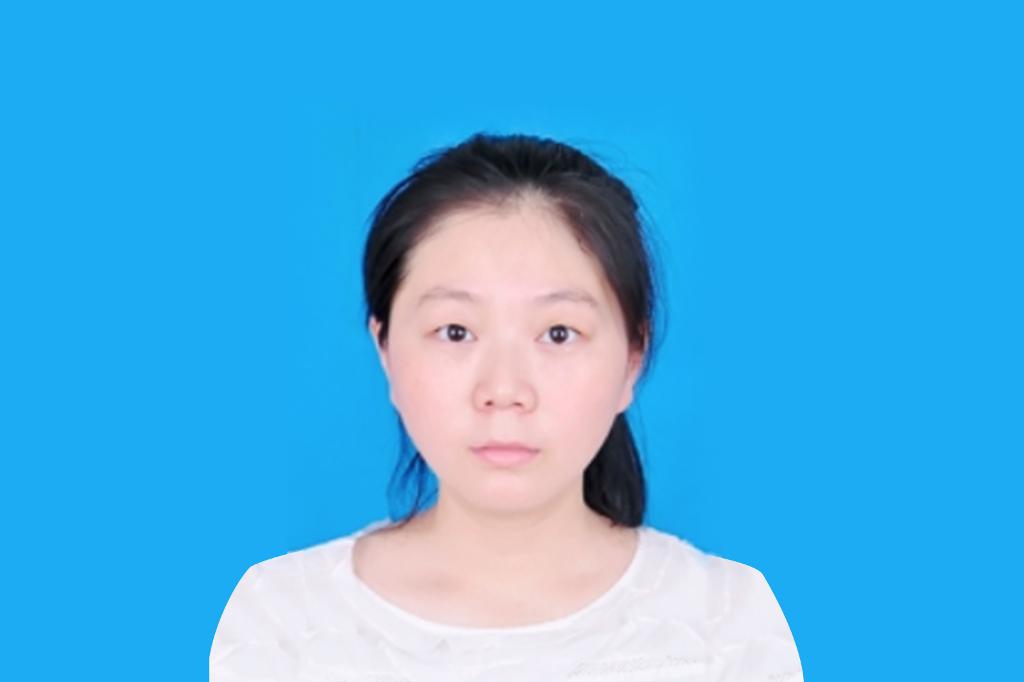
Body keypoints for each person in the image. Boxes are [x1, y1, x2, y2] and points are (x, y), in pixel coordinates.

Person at [210, 132, 804, 681]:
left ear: (632, 360)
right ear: (385, 350)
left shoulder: (725, 628)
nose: (504, 389)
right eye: (456, 332)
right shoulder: (284, 625)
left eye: (559, 334)